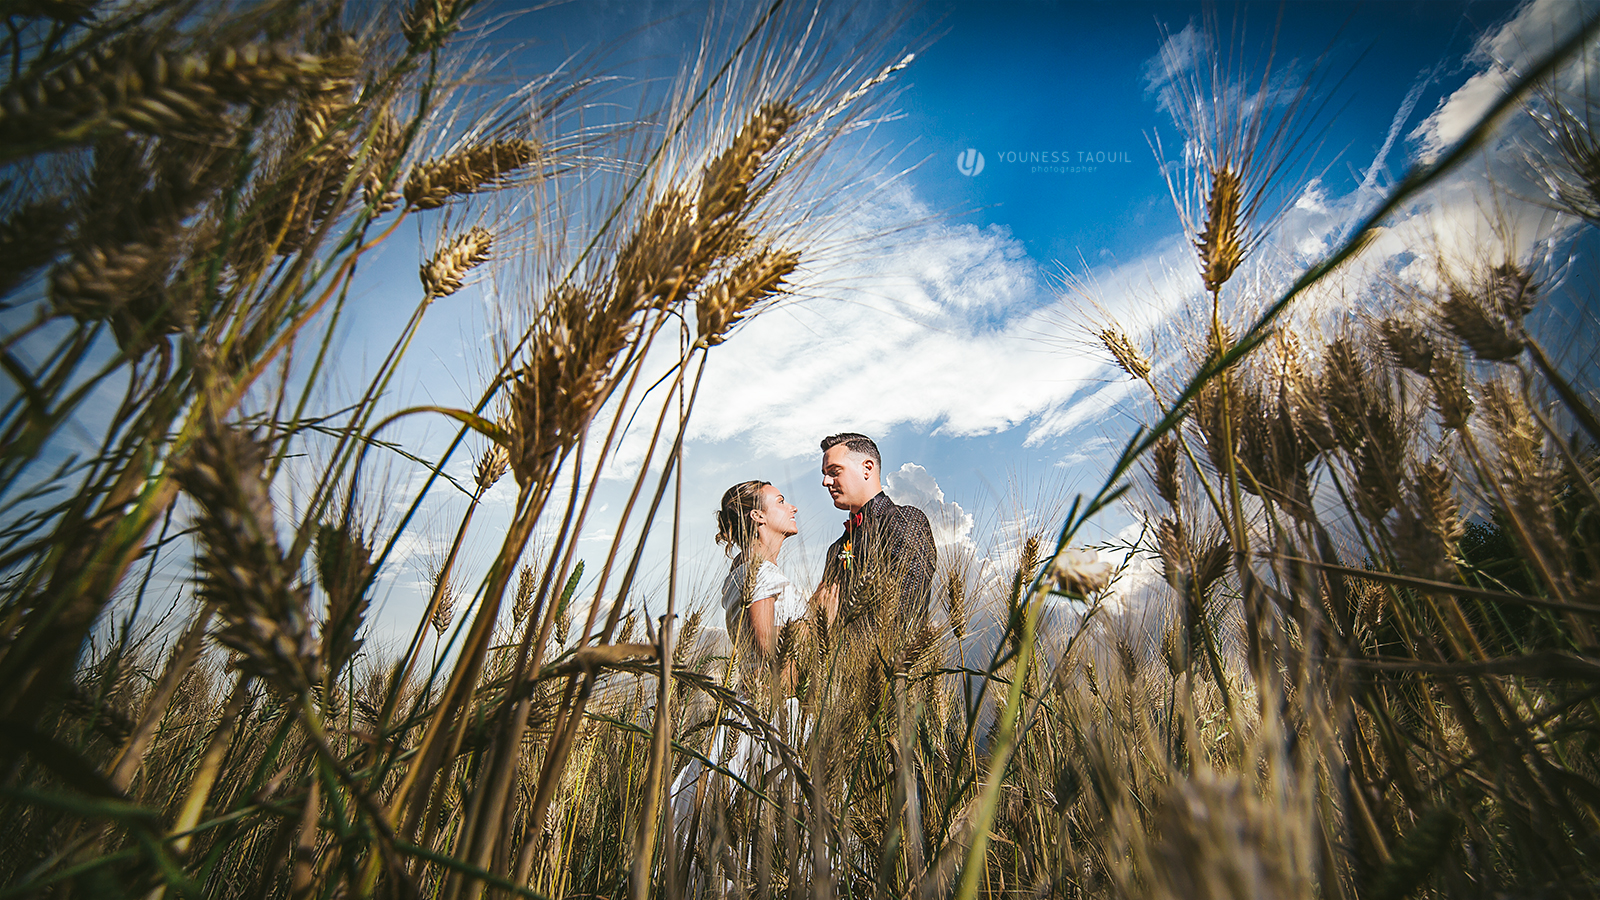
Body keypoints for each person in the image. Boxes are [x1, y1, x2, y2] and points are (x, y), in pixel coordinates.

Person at [814, 433, 936, 641]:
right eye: (825, 474)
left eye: (834, 472)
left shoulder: (904, 520)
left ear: (867, 468)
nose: (826, 482)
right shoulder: (836, 549)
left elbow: (905, 613)